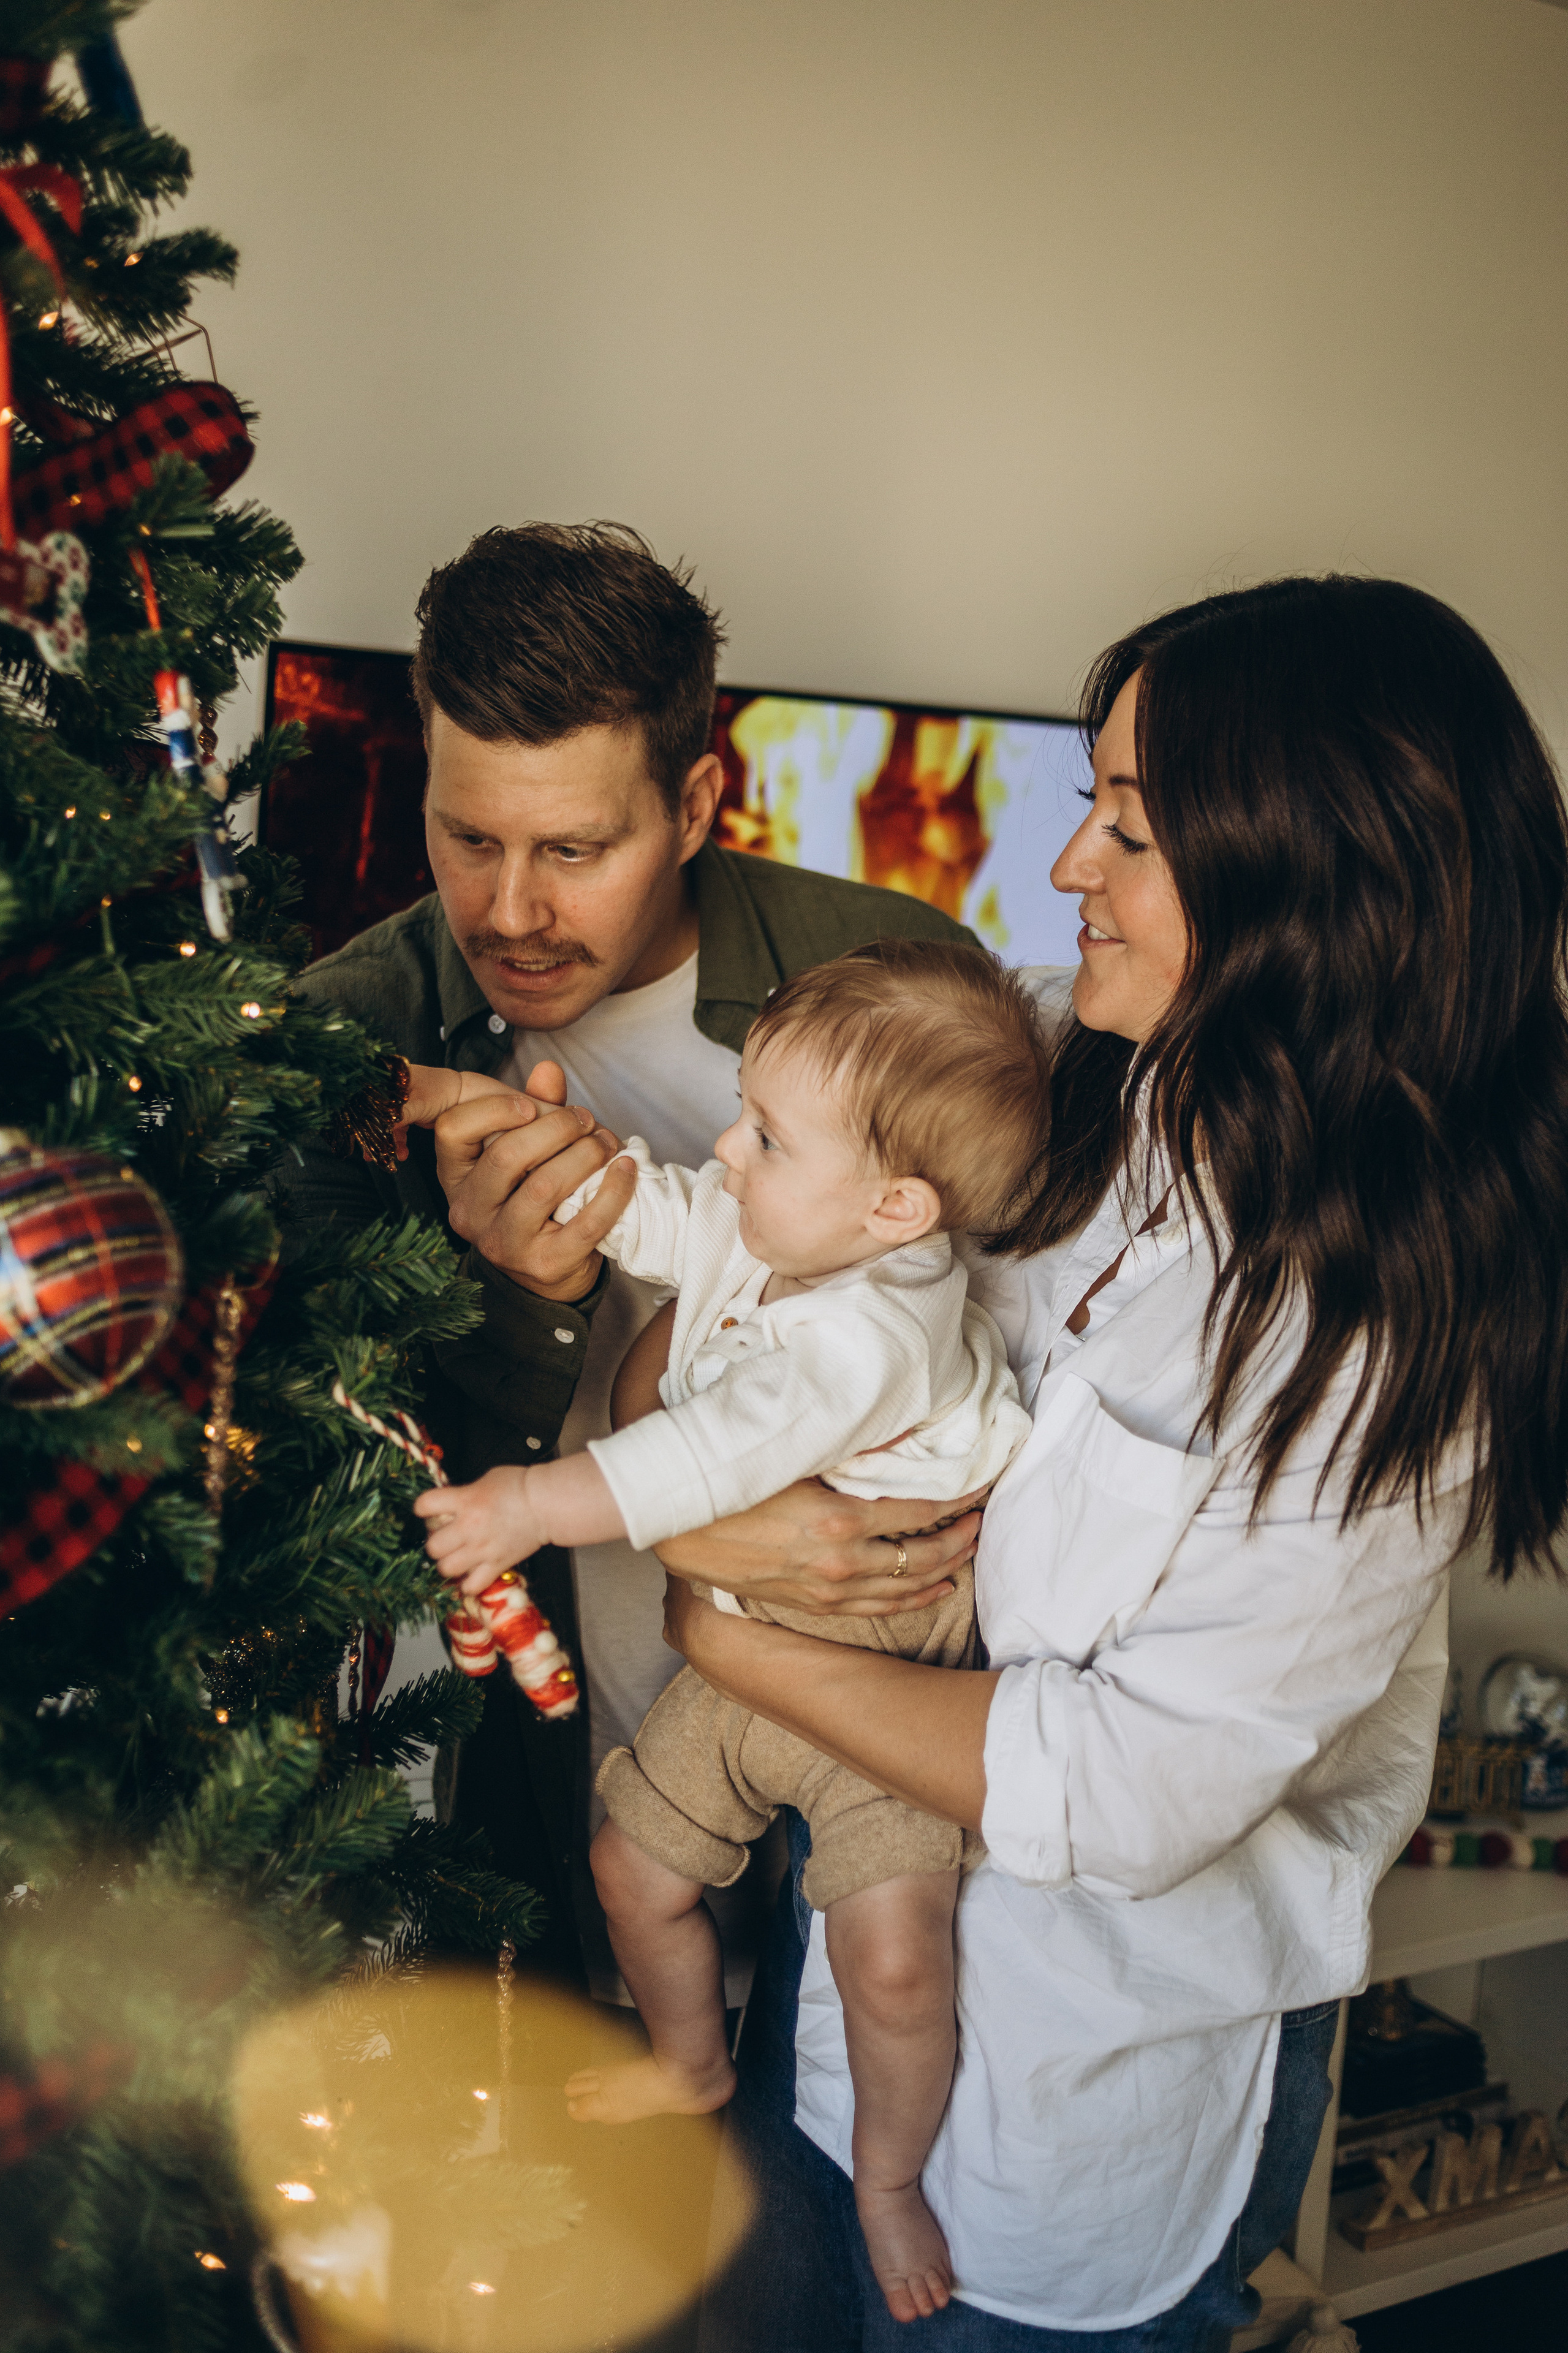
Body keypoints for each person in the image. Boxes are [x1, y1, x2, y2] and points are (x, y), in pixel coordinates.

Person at [450, 575, 1568, 2344]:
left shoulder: (1372, 1361)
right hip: (839, 1932)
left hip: (1068, 2099)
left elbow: (1121, 1794)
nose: (1068, 875)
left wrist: (738, 1633)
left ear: (1303, 877)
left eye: (1126, 830)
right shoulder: (1033, 1057)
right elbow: (745, 1294)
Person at [272, 521, 975, 1989]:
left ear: (699, 799)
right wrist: (536, 1306)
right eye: (469, 838)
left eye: (574, 850)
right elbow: (325, 1484)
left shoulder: (902, 989)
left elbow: (1007, 1351)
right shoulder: (347, 1041)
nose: (512, 911)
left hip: (893, 1736)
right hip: (556, 1781)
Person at [403, 942, 1044, 2324]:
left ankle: (884, 2179)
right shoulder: (781, 1239)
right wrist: (459, 1103)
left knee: (892, 1961)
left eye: (763, 1134)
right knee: (630, 1873)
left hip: (872, 1682)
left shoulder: (870, 1333)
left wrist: (525, 1501)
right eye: (742, 1116)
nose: (727, 1148)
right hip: (747, 1646)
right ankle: (691, 2061)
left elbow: (700, 1457)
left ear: (895, 1206)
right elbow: (645, 1203)